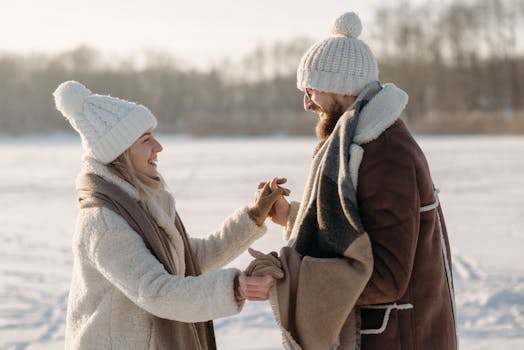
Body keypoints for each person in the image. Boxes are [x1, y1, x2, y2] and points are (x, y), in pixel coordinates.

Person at [251, 11, 457, 350]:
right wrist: (293, 217)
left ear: (340, 89)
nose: (306, 103)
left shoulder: (386, 153)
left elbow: (388, 276)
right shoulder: (362, 143)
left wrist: (292, 277)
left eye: (311, 89)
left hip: (395, 339)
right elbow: (362, 226)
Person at [53, 80, 288, 350]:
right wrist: (235, 287)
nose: (159, 147)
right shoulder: (104, 221)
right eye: (146, 140)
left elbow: (189, 257)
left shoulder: (141, 203)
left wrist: (254, 216)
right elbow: (156, 290)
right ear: (121, 154)